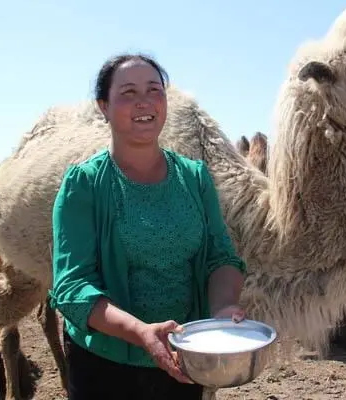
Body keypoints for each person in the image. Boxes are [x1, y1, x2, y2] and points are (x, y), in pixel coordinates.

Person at [49, 53, 247, 400]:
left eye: (154, 90)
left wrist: (222, 310)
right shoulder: (84, 184)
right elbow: (72, 286)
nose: (144, 101)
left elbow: (221, 257)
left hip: (183, 358)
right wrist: (140, 332)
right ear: (104, 107)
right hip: (104, 365)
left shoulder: (195, 178)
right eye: (127, 92)